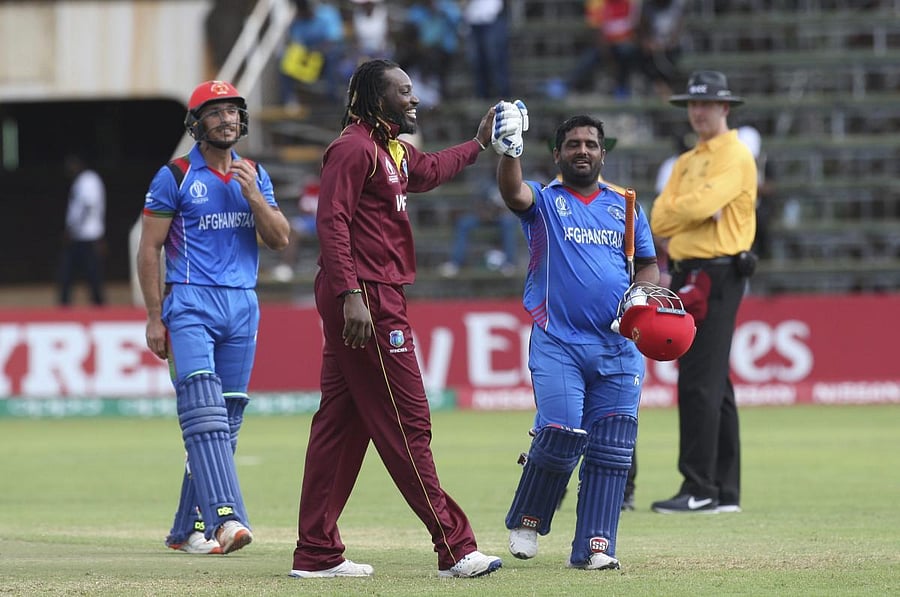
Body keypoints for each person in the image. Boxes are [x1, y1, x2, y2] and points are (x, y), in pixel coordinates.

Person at [289, 59, 502, 579]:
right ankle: (454, 545)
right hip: (368, 298)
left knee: (341, 424)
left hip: (374, 293)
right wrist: (350, 294)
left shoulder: (393, 150)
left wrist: (477, 145)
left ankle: (316, 552)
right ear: (375, 98)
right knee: (408, 422)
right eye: (404, 92)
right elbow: (331, 221)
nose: (415, 99)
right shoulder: (352, 148)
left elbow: (429, 171)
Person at [493, 106, 659, 570]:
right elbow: (512, 191)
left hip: (619, 346)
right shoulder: (545, 201)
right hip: (558, 340)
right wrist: (509, 151)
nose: (582, 151)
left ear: (603, 153)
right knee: (561, 430)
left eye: (590, 144)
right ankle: (528, 517)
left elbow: (646, 261)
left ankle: (594, 548)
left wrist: (644, 295)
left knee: (613, 449)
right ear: (557, 153)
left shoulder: (626, 204)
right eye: (573, 145)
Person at [137, 80, 290, 554]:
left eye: (232, 112)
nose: (226, 119)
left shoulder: (254, 174)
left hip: (242, 305)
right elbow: (149, 249)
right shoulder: (176, 175)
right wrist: (153, 317)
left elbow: (281, 239)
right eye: (215, 112)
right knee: (204, 415)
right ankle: (226, 520)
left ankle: (185, 531)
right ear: (196, 123)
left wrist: (256, 199)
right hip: (190, 303)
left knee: (227, 419)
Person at [649, 70, 757, 514]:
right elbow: (657, 220)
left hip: (718, 270)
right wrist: (691, 213)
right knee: (715, 383)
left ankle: (700, 487)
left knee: (698, 380)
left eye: (706, 104)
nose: (697, 112)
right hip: (691, 270)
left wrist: (688, 212)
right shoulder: (685, 162)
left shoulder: (736, 154)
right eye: (693, 105)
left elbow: (690, 207)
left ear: (724, 108)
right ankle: (723, 490)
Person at [58, 154, 106, 306]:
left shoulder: (88, 180)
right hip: (80, 235)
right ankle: (65, 302)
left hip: (86, 234)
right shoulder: (81, 181)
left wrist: (72, 228)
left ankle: (98, 302)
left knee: (91, 271)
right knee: (69, 270)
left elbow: (87, 206)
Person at [279, 0, 346, 107]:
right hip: (309, 58)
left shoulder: (328, 13)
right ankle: (289, 100)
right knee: (283, 57)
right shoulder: (298, 20)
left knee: (332, 54)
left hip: (326, 55)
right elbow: (296, 43)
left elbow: (333, 40)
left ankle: (332, 96)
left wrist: (316, 50)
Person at [462, 0, 510, 100]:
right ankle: (482, 94)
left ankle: (503, 93)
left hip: (491, 17)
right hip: (472, 20)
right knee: (477, 62)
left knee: (495, 59)